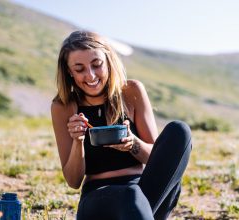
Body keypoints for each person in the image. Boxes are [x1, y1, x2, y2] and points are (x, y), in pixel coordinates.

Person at [51, 30, 192, 220]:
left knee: (179, 131)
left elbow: (156, 159)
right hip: (98, 196)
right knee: (130, 196)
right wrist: (78, 141)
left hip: (144, 191)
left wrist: (132, 144)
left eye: (96, 65)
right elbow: (73, 180)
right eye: (79, 69)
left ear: (108, 61)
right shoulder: (64, 106)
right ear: (69, 72)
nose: (90, 75)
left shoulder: (132, 91)